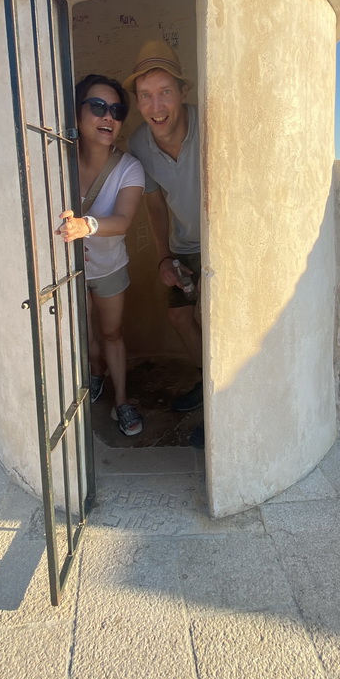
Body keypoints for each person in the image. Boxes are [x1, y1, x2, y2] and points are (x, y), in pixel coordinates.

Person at [123, 41, 205, 447]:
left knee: (226, 323)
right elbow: (153, 204)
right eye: (146, 95)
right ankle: (209, 382)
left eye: (165, 92)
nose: (156, 105)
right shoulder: (139, 143)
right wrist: (164, 258)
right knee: (179, 317)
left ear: (183, 93)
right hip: (184, 243)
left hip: (225, 240)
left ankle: (227, 404)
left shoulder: (209, 124)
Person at [55, 74, 145, 436]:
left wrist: (85, 226)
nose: (108, 116)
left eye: (116, 110)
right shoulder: (58, 162)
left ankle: (121, 401)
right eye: (97, 107)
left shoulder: (129, 167)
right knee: (85, 337)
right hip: (70, 269)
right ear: (77, 114)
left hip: (108, 267)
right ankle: (96, 377)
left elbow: (122, 220)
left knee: (111, 333)